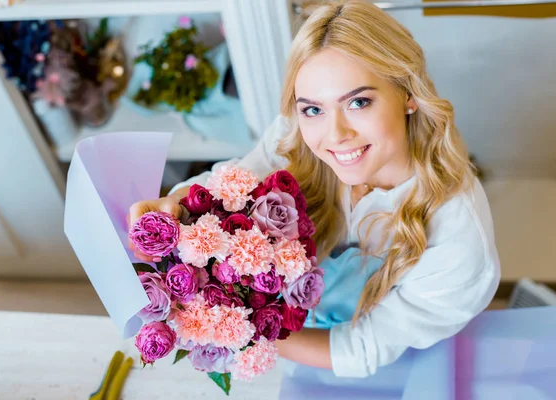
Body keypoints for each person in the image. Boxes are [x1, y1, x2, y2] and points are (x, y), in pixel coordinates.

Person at [128, 0, 500, 380]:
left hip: (384, 369)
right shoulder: (295, 138)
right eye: (313, 109)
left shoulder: (459, 240)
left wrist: (232, 328)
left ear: (408, 94)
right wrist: (173, 205)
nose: (335, 135)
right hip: (283, 346)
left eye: (358, 102)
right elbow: (231, 183)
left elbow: (364, 347)